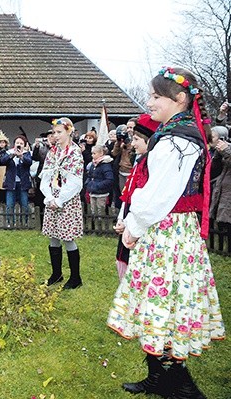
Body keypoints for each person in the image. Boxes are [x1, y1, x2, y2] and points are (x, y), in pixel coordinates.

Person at [107, 67, 225, 398]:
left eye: (157, 96)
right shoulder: (175, 132)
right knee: (158, 304)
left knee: (166, 304)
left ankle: (182, 386)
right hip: (166, 230)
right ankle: (159, 377)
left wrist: (132, 226)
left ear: (180, 99)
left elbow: (159, 195)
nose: (150, 102)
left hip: (168, 232)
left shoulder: (178, 140)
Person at [113, 114, 159, 281]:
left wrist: (129, 223)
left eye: (137, 139)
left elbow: (145, 199)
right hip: (128, 219)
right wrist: (121, 218)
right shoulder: (139, 161)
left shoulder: (150, 166)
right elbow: (128, 194)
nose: (132, 143)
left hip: (139, 223)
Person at [40, 118, 84, 289]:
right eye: (54, 132)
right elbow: (46, 175)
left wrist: (59, 200)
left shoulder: (74, 153)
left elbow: (75, 181)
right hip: (53, 196)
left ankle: (75, 277)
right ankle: (56, 274)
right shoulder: (53, 152)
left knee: (68, 237)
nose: (55, 135)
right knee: (53, 236)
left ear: (69, 132)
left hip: (67, 199)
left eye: (59, 132)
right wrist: (49, 197)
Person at [0, 134, 33, 226]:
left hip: (23, 183)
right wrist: (12, 155)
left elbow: (29, 162)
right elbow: (2, 161)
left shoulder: (27, 153)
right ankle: (10, 222)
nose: (19, 144)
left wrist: (21, 156)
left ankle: (24, 222)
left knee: (24, 203)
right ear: (14, 144)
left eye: (21, 143)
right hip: (11, 183)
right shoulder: (9, 152)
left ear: (24, 145)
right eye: (17, 143)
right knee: (10, 204)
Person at [84, 144, 114, 228]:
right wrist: (88, 184)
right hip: (92, 191)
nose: (92, 155)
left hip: (101, 193)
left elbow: (109, 179)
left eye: (94, 153)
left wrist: (97, 186)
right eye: (92, 153)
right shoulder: (93, 164)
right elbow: (89, 176)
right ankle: (95, 227)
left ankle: (101, 228)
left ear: (101, 153)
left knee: (101, 210)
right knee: (93, 210)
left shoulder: (105, 165)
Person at [209, 125, 231, 231]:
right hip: (221, 197)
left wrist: (226, 151)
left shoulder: (228, 149)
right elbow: (213, 171)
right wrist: (218, 154)